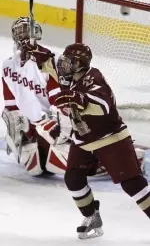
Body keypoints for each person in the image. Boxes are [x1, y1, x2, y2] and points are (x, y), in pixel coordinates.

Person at [54, 43, 150, 239]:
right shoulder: (71, 78)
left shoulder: (93, 77)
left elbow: (105, 106)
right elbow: (47, 63)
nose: (64, 65)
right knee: (73, 179)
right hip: (84, 139)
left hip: (110, 138)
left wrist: (80, 99)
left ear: (80, 63)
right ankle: (92, 217)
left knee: (132, 184)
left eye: (69, 61)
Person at [1, 16, 71, 176]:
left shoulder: (49, 60)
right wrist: (18, 132)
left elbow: (59, 100)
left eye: (28, 32)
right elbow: (10, 105)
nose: (24, 37)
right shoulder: (8, 65)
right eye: (21, 33)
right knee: (36, 164)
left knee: (50, 146)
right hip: (28, 128)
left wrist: (58, 124)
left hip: (51, 125)